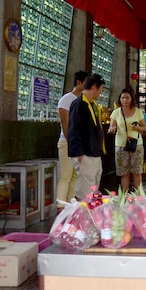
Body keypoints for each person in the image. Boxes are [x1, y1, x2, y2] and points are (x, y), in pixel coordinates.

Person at [68, 73, 106, 200]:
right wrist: (78, 152)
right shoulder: (78, 104)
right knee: (85, 191)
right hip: (84, 153)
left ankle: (92, 213)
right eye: (100, 90)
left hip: (94, 151)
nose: (100, 93)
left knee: (94, 187)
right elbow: (74, 129)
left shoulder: (93, 105)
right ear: (94, 87)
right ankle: (83, 215)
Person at [56, 70, 89, 209]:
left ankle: (71, 203)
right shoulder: (66, 99)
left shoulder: (83, 100)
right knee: (66, 176)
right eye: (86, 82)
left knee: (76, 176)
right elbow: (65, 123)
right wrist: (72, 143)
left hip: (79, 144)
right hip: (67, 143)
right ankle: (60, 206)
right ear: (79, 83)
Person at [108, 88, 146, 192]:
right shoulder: (116, 112)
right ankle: (124, 198)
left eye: (127, 98)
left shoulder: (138, 112)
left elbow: (144, 127)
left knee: (136, 172)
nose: (125, 100)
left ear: (131, 99)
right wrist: (112, 129)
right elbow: (112, 126)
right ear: (120, 99)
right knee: (124, 173)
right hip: (121, 145)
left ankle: (138, 197)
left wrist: (137, 128)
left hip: (136, 145)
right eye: (122, 98)